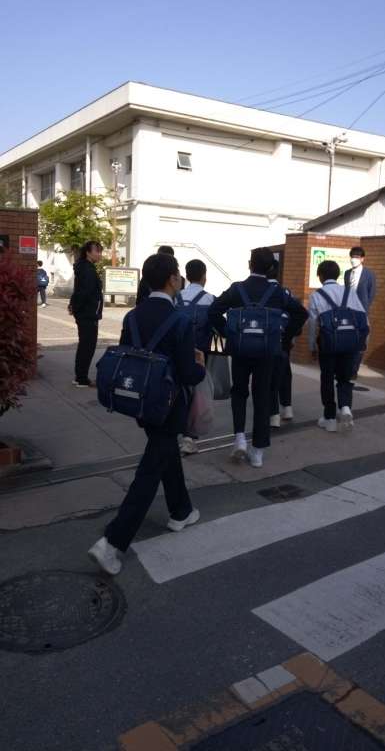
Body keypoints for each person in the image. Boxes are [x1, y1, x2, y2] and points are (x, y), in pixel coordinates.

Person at [88, 252, 205, 575]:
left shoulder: (132, 316)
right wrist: (200, 366)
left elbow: (130, 356)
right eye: (177, 275)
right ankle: (112, 542)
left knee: (164, 453)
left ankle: (181, 511)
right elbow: (188, 374)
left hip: (141, 401)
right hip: (170, 405)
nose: (179, 279)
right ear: (171, 279)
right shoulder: (180, 320)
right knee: (150, 471)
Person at [208, 247, 308, 469]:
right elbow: (302, 313)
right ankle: (258, 452)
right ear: (271, 268)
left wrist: (229, 333)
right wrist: (284, 337)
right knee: (262, 395)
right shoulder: (278, 292)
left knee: (239, 392)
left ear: (249, 264)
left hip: (240, 350)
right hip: (267, 351)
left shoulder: (237, 289)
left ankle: (239, 438)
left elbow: (213, 311)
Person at [308, 259, 367, 433]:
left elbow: (312, 323)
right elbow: (363, 318)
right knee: (345, 377)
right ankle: (345, 406)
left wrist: (312, 346)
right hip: (350, 343)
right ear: (338, 275)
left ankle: (330, 419)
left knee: (327, 378)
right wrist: (362, 342)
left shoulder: (316, 295)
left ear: (320, 276)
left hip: (328, 344)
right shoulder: (350, 292)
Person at [179, 259, 215, 456]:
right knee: (197, 394)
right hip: (200, 354)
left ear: (186, 275)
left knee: (179, 389)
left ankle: (176, 426)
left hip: (178, 351)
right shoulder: (209, 299)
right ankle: (189, 437)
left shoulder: (177, 297)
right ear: (204, 276)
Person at [268, 258, 306, 426]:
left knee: (269, 375)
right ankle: (287, 407)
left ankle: (274, 414)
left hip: (267, 339)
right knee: (284, 371)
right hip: (284, 339)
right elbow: (298, 314)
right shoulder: (285, 292)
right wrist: (289, 335)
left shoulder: (262, 291)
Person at [69, 241, 103, 387]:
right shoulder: (88, 269)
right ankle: (82, 379)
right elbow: (85, 292)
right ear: (88, 252)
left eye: (100, 251)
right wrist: (77, 307)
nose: (99, 254)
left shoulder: (84, 267)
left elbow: (78, 289)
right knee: (88, 346)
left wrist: (73, 306)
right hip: (88, 313)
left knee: (84, 345)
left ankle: (80, 376)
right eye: (97, 251)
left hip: (84, 312)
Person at [344, 246, 376, 377]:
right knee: (346, 340)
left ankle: (354, 370)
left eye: (357, 257)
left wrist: (364, 308)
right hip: (347, 312)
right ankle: (345, 368)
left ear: (362, 259)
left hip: (361, 313)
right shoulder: (347, 273)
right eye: (352, 257)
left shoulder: (369, 274)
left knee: (362, 341)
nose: (354, 259)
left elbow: (372, 293)